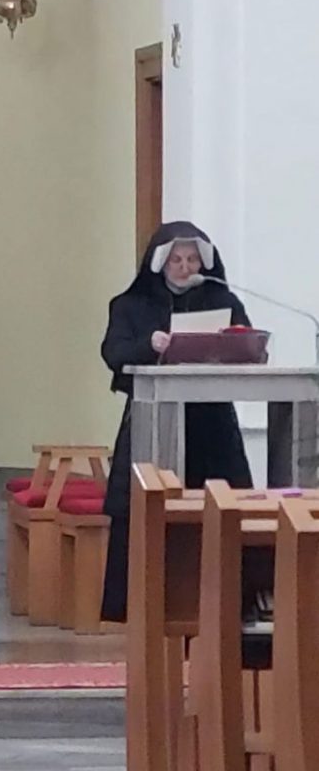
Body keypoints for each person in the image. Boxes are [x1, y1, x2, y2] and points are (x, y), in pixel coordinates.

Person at [100, 221, 253, 622]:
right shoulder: (130, 305)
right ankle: (142, 607)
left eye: (192, 260)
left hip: (211, 425)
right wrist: (148, 345)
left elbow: (246, 343)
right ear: (160, 263)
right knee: (148, 510)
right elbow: (113, 353)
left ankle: (230, 606)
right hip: (152, 422)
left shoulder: (222, 298)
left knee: (221, 506)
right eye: (177, 260)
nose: (185, 268)